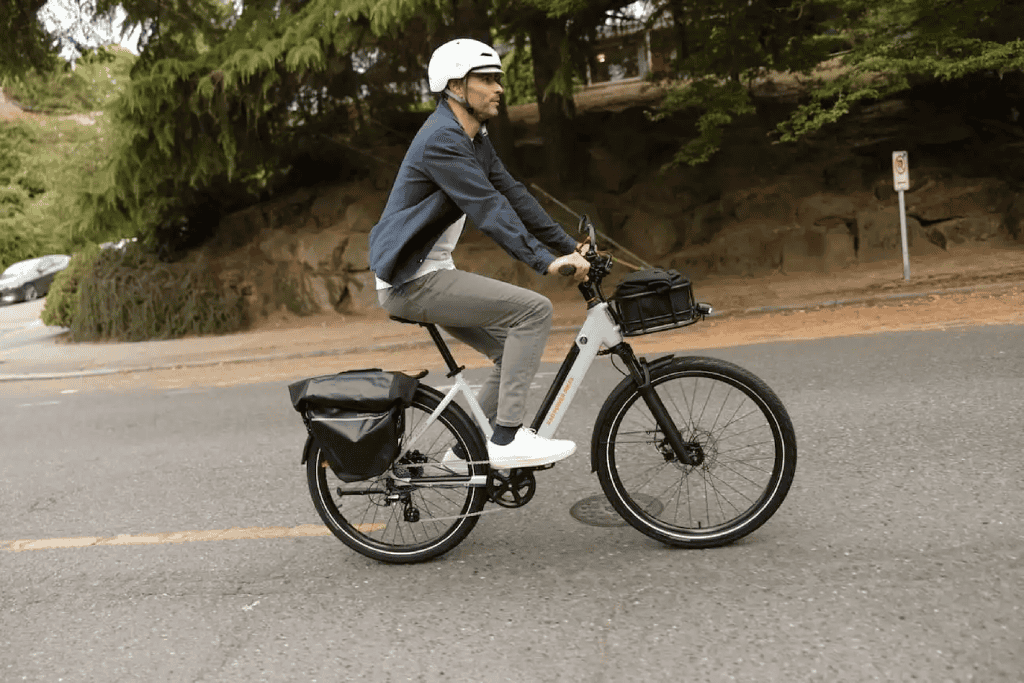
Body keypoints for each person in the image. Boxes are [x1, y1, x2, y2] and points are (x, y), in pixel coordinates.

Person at [368, 38, 590, 471]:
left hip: (428, 274)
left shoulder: (472, 138)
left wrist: (568, 246)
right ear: (455, 85)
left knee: (512, 349)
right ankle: (505, 440)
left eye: (497, 80)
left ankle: (464, 452)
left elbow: (514, 195)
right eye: (486, 79)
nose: (498, 88)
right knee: (533, 312)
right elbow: (489, 208)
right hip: (410, 281)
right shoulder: (442, 141)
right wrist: (544, 261)